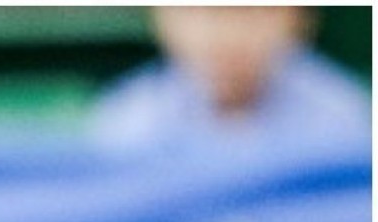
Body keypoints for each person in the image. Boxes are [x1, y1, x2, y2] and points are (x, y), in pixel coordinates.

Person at [89, 6, 371, 151]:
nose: (227, 33)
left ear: (297, 16)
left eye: (249, 10)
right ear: (162, 17)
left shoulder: (344, 117)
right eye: (204, 10)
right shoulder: (128, 122)